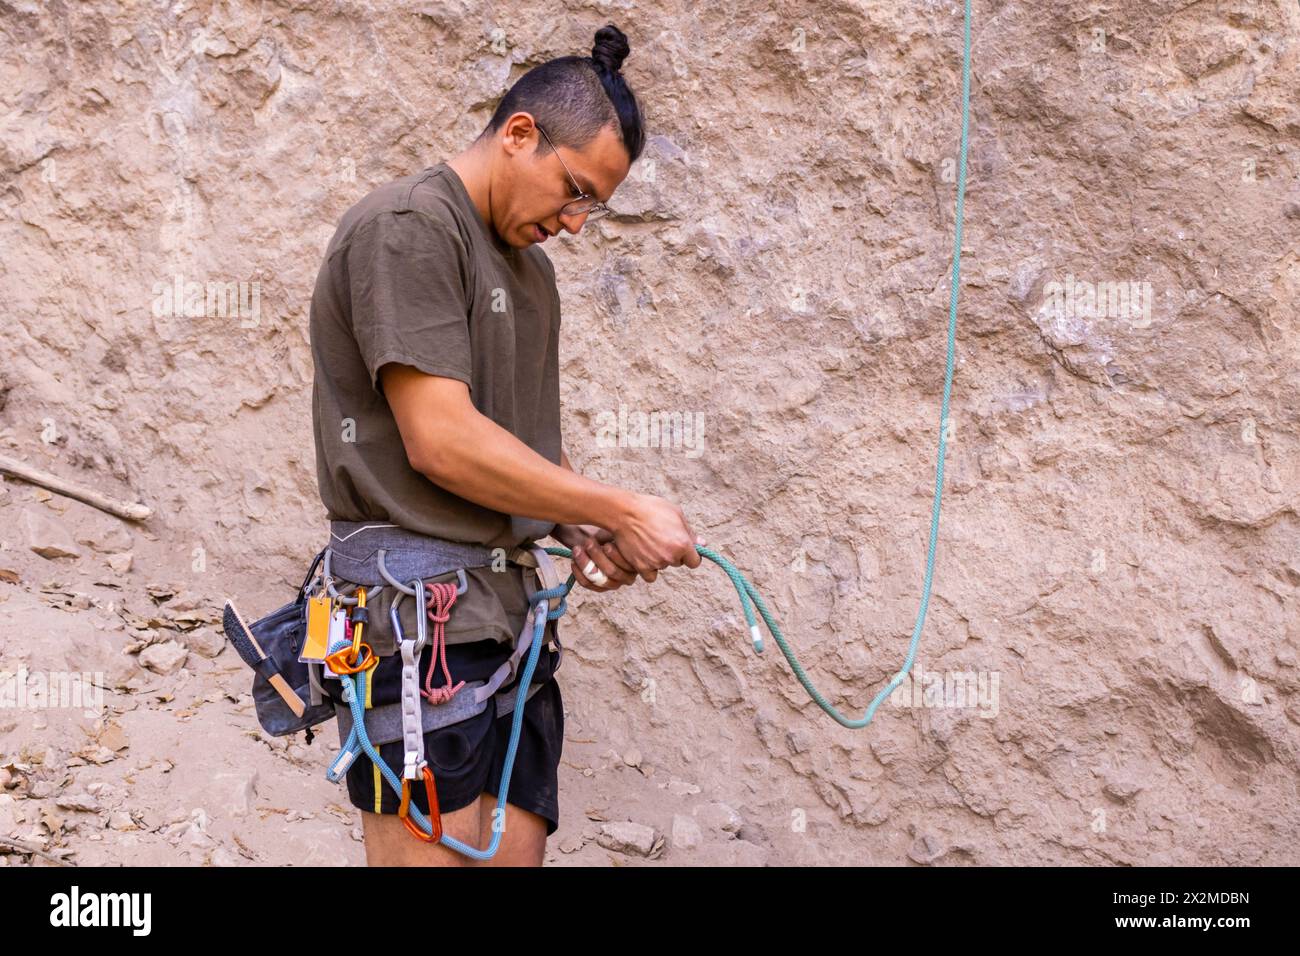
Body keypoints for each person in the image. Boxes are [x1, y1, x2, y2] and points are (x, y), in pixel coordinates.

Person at [308, 23, 703, 867]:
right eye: (574, 190)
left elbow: (516, 450)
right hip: (412, 622)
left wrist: (575, 527)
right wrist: (620, 506)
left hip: (506, 620)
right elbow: (441, 443)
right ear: (519, 134)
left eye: (593, 204)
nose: (575, 221)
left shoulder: (530, 275)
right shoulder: (408, 227)